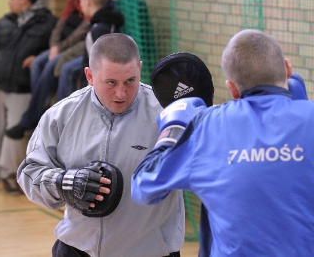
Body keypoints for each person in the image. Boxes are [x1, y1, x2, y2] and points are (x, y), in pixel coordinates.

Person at [131, 29, 314, 256]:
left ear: (233, 89)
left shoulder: (207, 127)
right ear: (287, 69)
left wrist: (173, 129)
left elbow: (143, 187)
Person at [17, 33, 184, 257]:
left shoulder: (168, 113)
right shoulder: (61, 115)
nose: (121, 93)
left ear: (140, 69)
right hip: (77, 249)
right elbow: (29, 174)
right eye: (111, 82)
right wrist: (66, 183)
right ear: (90, 75)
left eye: (130, 81)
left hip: (150, 251)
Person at [0, 0, 57, 195]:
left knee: (15, 134)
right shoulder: (3, 22)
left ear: (25, 0)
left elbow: (53, 50)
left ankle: (10, 174)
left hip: (22, 89)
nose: (9, 1)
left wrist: (38, 58)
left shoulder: (48, 23)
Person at [5, 0, 90, 139]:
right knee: (37, 63)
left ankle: (39, 120)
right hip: (61, 45)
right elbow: (61, 23)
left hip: (73, 46)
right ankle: (40, 114)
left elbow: (81, 33)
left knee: (54, 67)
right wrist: (54, 46)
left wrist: (60, 47)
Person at [55, 0, 124, 103]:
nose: (80, 5)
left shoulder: (100, 29)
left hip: (96, 91)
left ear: (87, 2)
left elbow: (99, 63)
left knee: (68, 70)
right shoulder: (97, 25)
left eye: (81, 1)